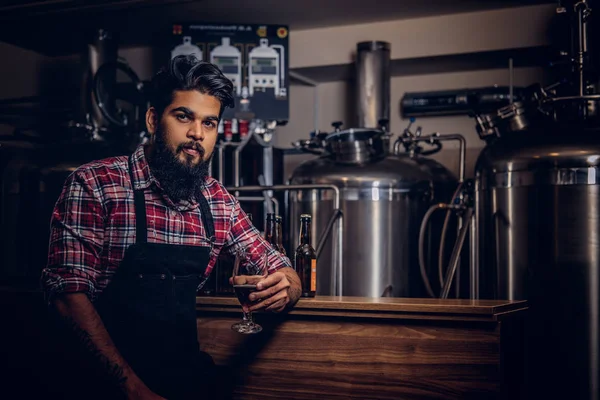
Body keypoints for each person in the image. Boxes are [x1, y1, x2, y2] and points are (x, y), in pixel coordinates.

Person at [40, 54, 302, 400]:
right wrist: (134, 391)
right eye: (183, 116)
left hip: (184, 380)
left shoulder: (217, 200)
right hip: (103, 385)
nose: (197, 133)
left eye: (209, 123)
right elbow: (67, 298)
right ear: (152, 119)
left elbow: (281, 268)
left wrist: (288, 289)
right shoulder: (94, 184)